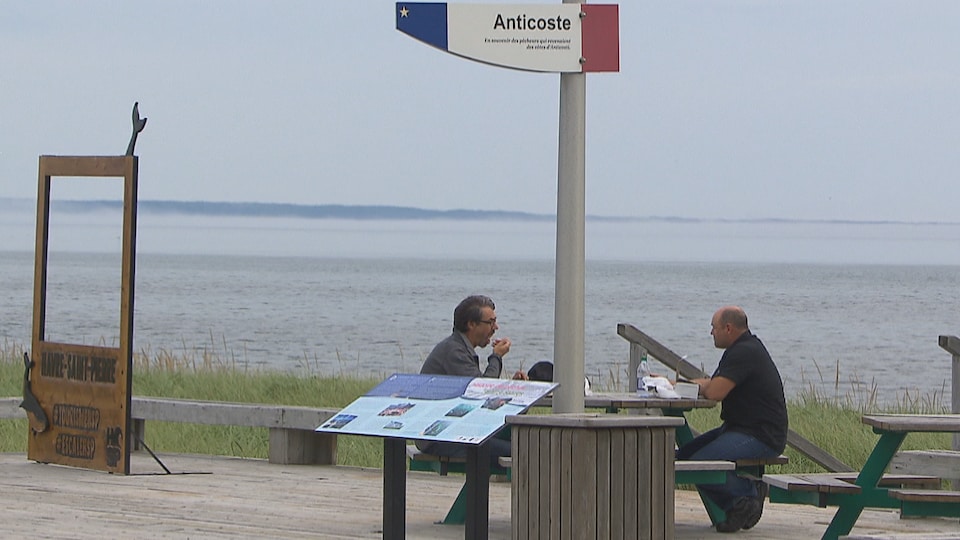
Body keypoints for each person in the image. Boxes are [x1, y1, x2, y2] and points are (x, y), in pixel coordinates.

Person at [676, 306, 788, 533]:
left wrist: (703, 386)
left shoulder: (744, 352)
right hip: (738, 429)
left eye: (713, 328)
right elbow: (713, 383)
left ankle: (746, 496)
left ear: (728, 328)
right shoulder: (742, 349)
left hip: (761, 435)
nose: (711, 333)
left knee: (699, 465)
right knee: (683, 457)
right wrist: (673, 386)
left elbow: (715, 393)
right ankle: (738, 504)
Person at [417, 295, 523, 465]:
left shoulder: (458, 348)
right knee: (522, 449)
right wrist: (496, 357)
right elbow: (482, 392)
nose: (496, 327)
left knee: (525, 436)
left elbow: (480, 388)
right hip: (439, 438)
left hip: (455, 429)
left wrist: (514, 385)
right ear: (471, 324)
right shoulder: (454, 352)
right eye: (491, 322)